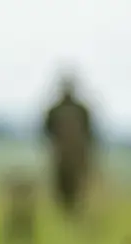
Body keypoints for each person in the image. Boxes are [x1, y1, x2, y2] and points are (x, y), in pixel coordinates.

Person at [43, 74, 95, 215]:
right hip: (61, 156)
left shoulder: (81, 111)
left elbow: (90, 134)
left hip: (77, 156)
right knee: (61, 188)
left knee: (76, 189)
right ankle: (65, 215)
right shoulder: (55, 110)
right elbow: (47, 132)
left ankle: (74, 214)